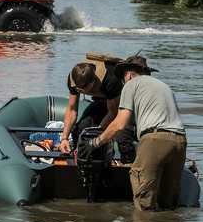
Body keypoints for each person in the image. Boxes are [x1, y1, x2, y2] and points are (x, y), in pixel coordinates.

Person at [78, 55, 187, 211]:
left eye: (123, 77)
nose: (123, 81)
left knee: (144, 203)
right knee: (168, 205)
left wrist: (95, 142)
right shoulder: (163, 86)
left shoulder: (131, 85)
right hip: (180, 142)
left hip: (155, 140)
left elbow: (120, 124)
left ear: (128, 74)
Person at [60, 53, 139, 163]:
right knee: (80, 129)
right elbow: (72, 109)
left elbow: (113, 112)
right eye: (80, 90)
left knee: (122, 137)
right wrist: (64, 138)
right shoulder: (73, 79)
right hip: (100, 101)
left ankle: (127, 162)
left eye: (87, 89)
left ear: (93, 81)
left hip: (122, 104)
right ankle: (82, 162)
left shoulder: (111, 80)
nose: (85, 92)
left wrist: (98, 136)